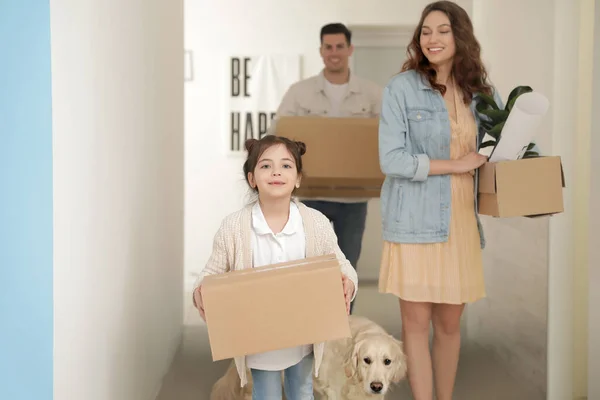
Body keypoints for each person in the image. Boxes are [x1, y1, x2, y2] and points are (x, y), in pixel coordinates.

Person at [378, 2, 505, 399]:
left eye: (442, 30)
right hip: (413, 218)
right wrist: (454, 164)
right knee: (415, 324)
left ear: (460, 36)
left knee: (450, 326)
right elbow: (391, 159)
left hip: (460, 223)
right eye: (426, 31)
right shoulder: (401, 88)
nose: (431, 39)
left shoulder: (481, 93)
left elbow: (500, 147)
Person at [192, 135, 358, 399]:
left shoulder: (315, 223)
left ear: (298, 178)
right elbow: (210, 273)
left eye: (286, 165)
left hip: (304, 336)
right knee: (265, 394)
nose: (276, 172)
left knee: (302, 391)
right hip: (260, 341)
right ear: (252, 179)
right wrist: (201, 291)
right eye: (266, 166)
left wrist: (347, 281)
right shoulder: (234, 227)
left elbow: (342, 265)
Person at [268, 23, 382, 313]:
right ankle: (311, 330)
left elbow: (389, 137)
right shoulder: (299, 93)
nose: (334, 53)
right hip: (311, 196)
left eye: (340, 47)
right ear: (321, 51)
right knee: (310, 268)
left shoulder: (371, 94)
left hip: (353, 200)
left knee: (347, 272)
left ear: (350, 49)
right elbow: (277, 134)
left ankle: (341, 334)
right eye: (328, 47)